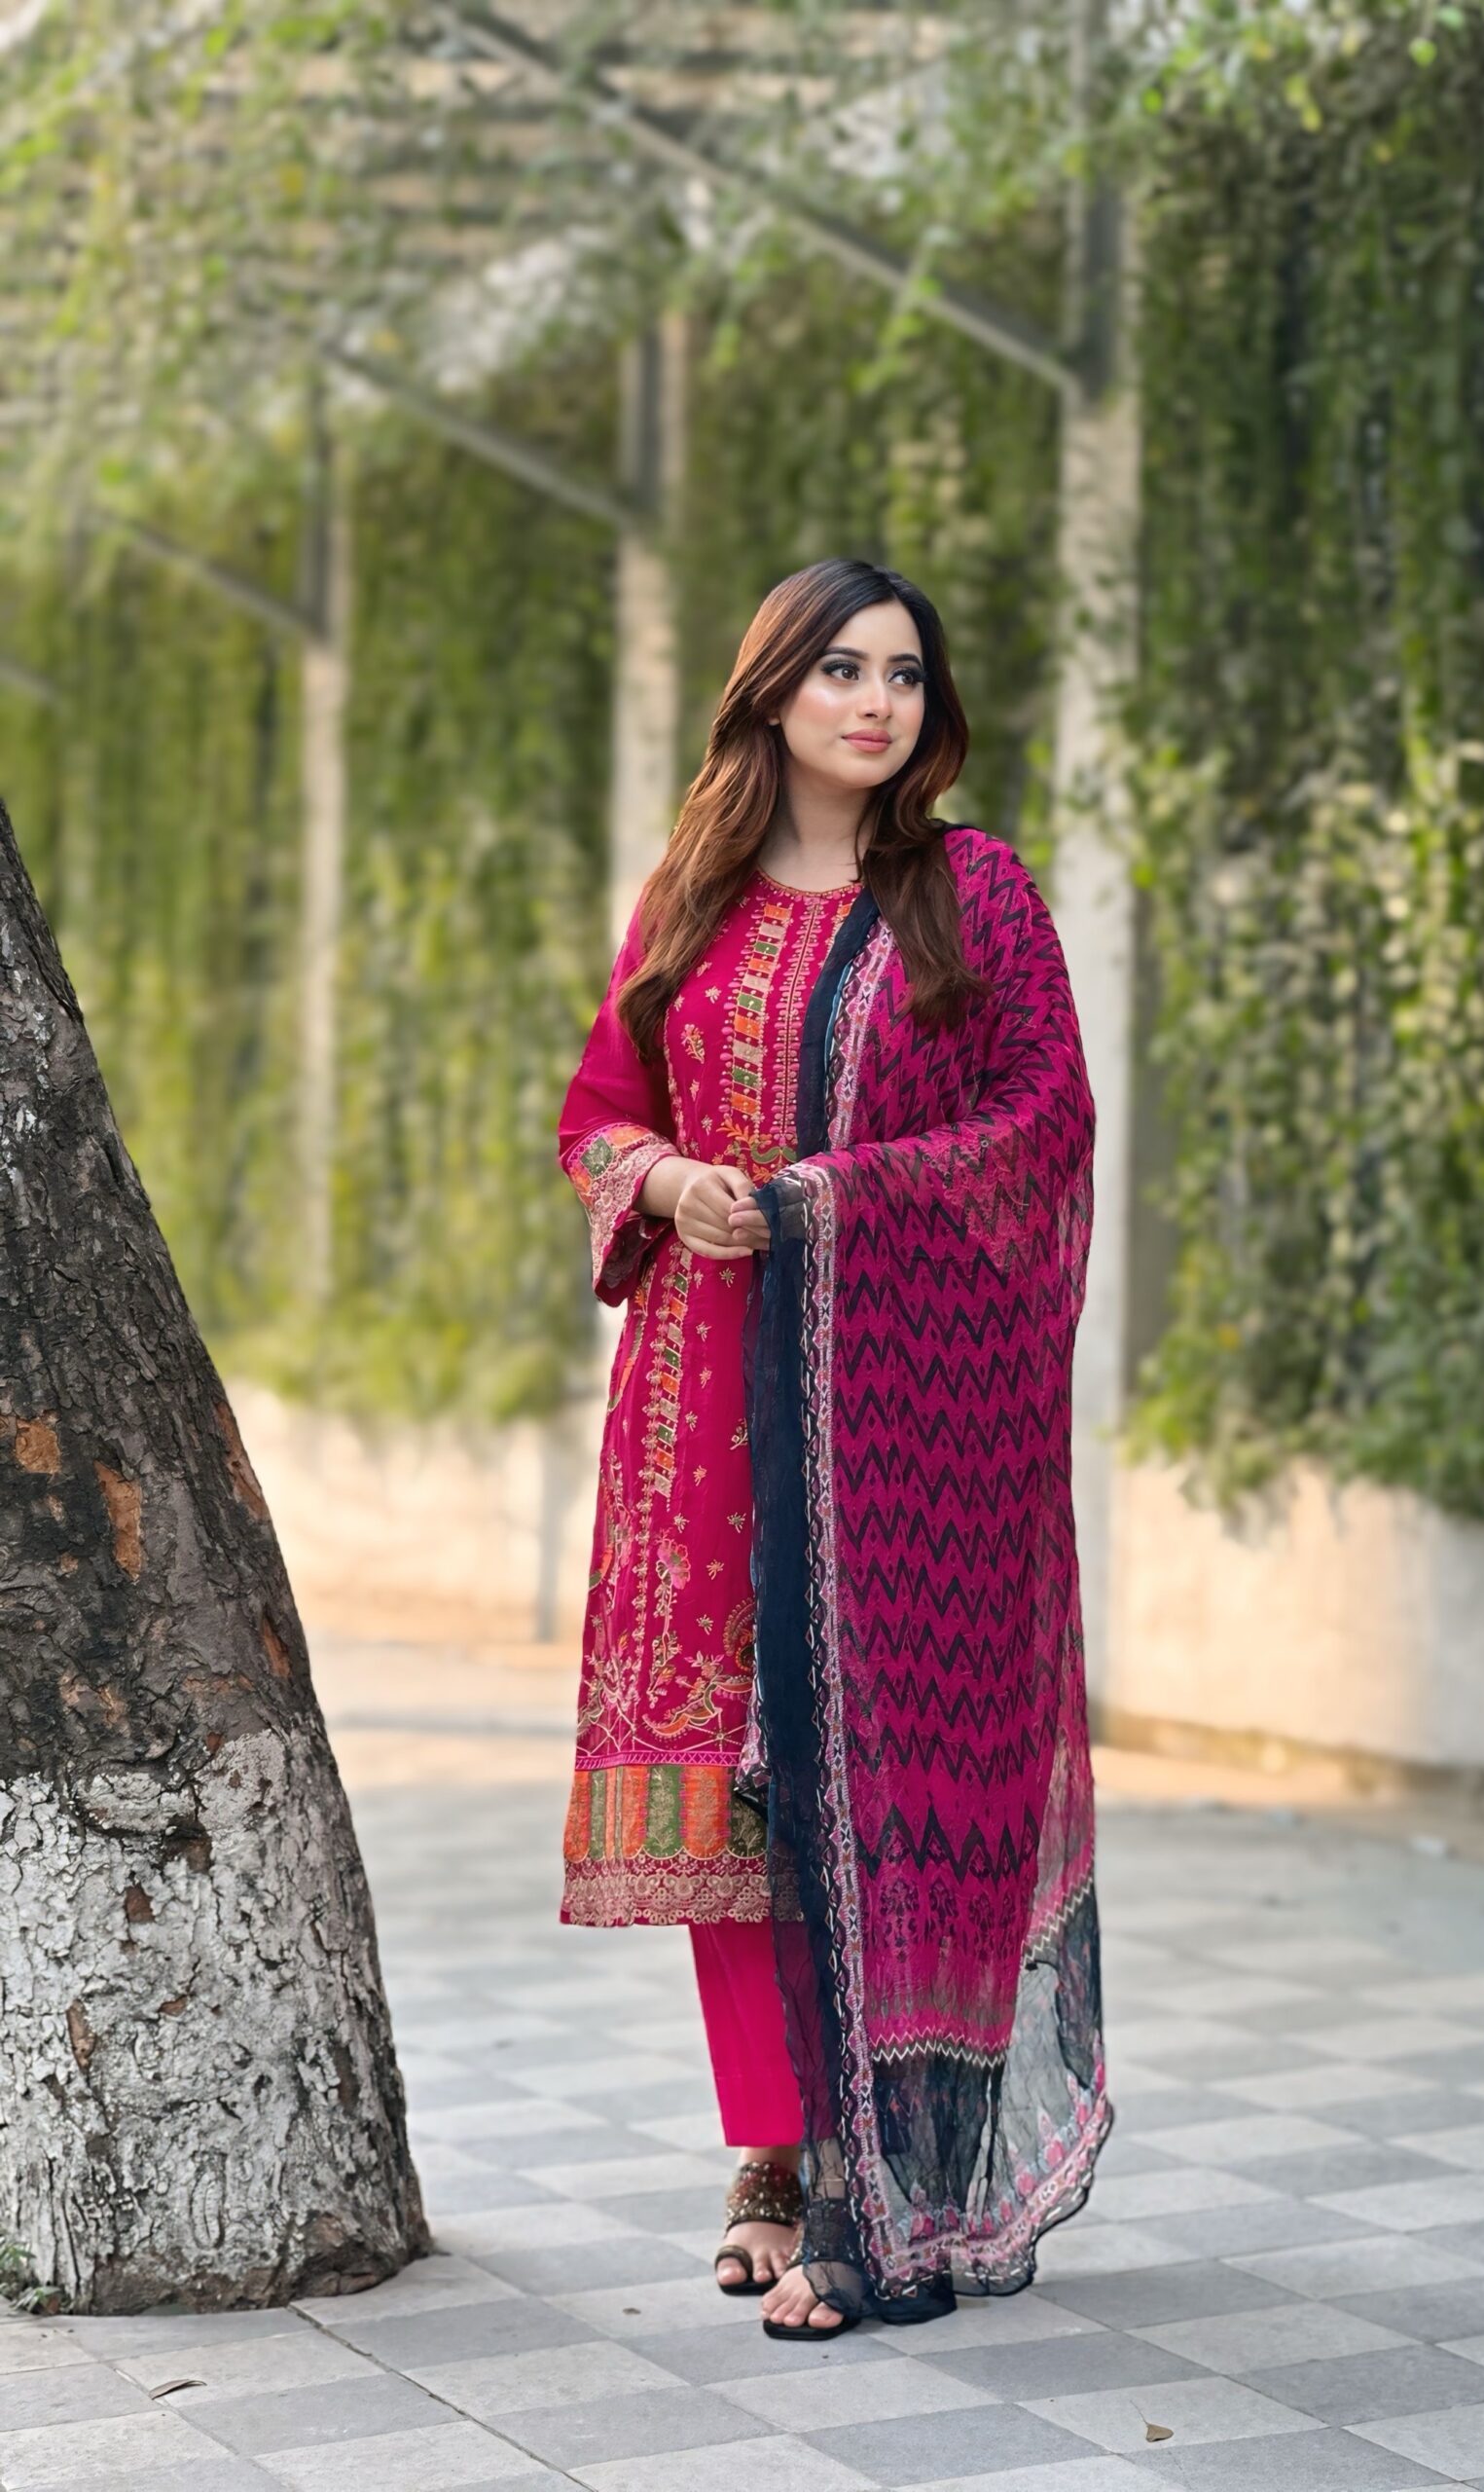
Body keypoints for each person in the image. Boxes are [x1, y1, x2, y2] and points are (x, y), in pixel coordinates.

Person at [557, 555, 1108, 2339]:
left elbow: (1045, 1118)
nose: (877, 702)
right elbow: (599, 1113)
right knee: (730, 1793)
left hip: (901, 1425)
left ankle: (895, 2188)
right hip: (705, 1404)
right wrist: (669, 1183)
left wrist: (831, 1195)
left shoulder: (971, 892)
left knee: (876, 1784)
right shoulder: (691, 897)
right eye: (841, 671)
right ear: (772, 690)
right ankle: (772, 2158)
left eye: (904, 674)